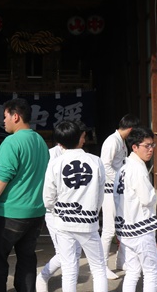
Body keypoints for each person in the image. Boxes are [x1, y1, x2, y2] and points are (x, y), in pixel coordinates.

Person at [0, 98, 49, 292]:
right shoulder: (40, 141)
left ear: (15, 116)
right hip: (35, 213)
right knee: (27, 258)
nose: (3, 121)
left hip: (10, 212)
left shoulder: (11, 142)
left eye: (5, 116)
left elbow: (3, 176)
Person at [40, 120, 107, 292]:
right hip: (88, 221)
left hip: (63, 222)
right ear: (81, 137)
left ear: (60, 143)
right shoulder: (96, 161)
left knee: (69, 269)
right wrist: (93, 212)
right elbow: (100, 195)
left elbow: (48, 199)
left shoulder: (55, 163)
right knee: (98, 268)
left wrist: (59, 211)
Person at [113, 126, 157, 292]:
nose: (150, 149)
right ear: (134, 147)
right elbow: (147, 198)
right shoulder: (137, 168)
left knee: (133, 271)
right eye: (147, 146)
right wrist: (154, 195)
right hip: (140, 228)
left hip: (126, 228)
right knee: (151, 271)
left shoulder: (123, 168)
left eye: (152, 145)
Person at [100, 113, 139, 279]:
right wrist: (119, 178)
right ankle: (102, 266)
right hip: (109, 189)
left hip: (118, 189)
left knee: (121, 227)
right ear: (130, 129)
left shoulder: (121, 141)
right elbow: (105, 166)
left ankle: (121, 261)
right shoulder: (112, 141)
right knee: (109, 230)